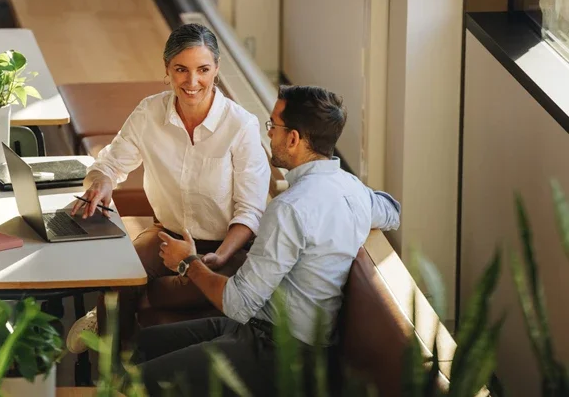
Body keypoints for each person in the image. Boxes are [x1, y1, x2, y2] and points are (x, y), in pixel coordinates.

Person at [130, 85, 402, 396]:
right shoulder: (351, 188)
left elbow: (237, 302)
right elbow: (392, 211)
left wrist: (187, 262)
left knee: (133, 382)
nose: (268, 134)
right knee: (142, 344)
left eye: (272, 125)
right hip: (267, 331)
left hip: (279, 355)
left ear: (293, 139)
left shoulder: (289, 208)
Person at [65, 23, 271, 353]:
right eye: (181, 70)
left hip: (227, 247)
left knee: (165, 289)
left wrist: (215, 258)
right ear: (167, 70)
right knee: (119, 273)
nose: (192, 82)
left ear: (216, 69)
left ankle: (122, 311)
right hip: (167, 236)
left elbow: (250, 212)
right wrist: (102, 183)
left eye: (203, 69)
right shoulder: (149, 112)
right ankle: (114, 372)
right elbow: (111, 163)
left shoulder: (241, 125)